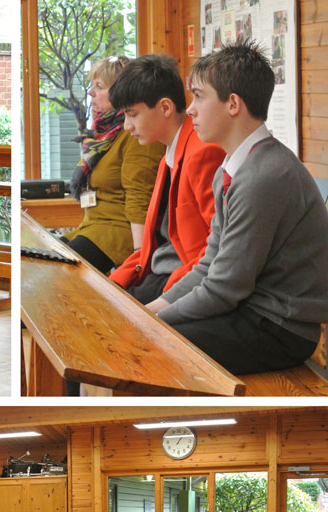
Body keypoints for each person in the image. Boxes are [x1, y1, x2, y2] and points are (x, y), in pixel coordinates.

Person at [147, 41, 328, 374]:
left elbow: (225, 288)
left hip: (280, 328)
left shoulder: (265, 175)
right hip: (252, 312)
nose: (190, 110)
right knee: (150, 338)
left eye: (199, 96)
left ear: (233, 104)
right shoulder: (232, 168)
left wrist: (152, 322)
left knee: (155, 350)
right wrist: (150, 309)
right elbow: (208, 266)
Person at [106, 54, 224, 303]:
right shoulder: (169, 154)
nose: (127, 126)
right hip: (159, 274)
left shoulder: (202, 152)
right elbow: (152, 246)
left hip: (181, 283)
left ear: (166, 108)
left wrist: (167, 297)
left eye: (132, 114)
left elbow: (218, 245)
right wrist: (112, 284)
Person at [62, 55, 164, 274]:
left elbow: (140, 197)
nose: (91, 92)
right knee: (39, 259)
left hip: (118, 235)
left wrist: (140, 260)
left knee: (59, 273)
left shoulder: (137, 135)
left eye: (99, 86)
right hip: (92, 228)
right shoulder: (102, 134)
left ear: (121, 93)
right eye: (92, 85)